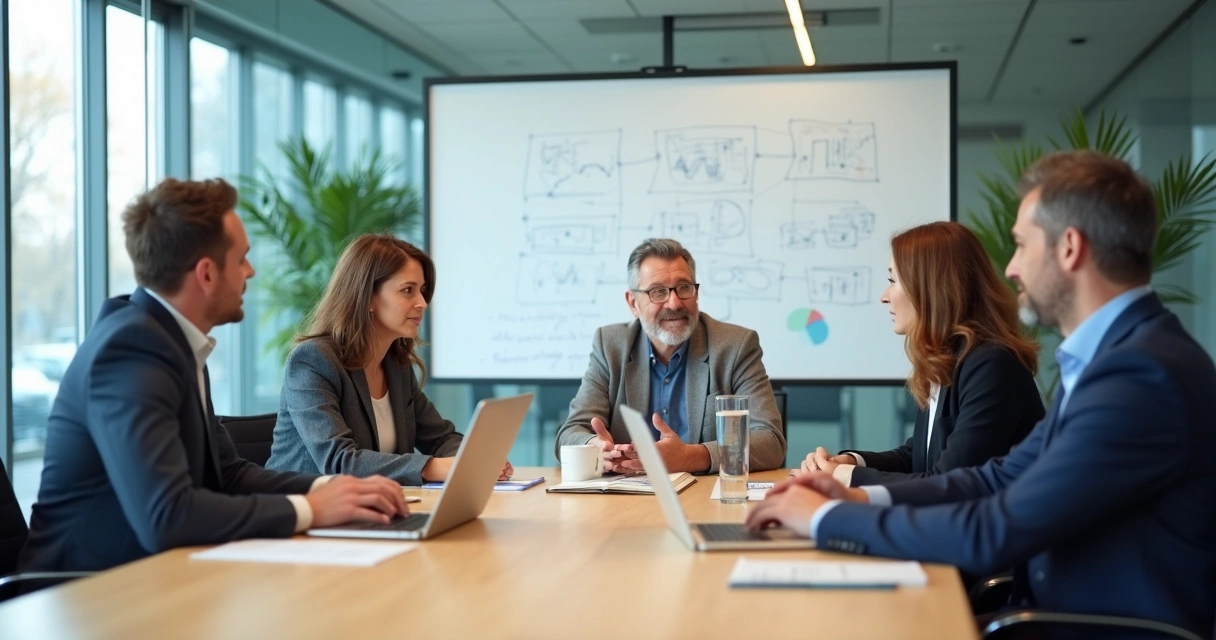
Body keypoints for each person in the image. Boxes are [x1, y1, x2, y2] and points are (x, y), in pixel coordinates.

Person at [745, 151, 1216, 636]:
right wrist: (861, 498)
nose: (1010, 269)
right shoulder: (1119, 359)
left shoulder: (1140, 376)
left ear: (1069, 248)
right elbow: (993, 478)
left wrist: (829, 519)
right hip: (1046, 611)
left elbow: (994, 526)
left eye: (1021, 246)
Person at [18, 178, 408, 573]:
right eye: (241, 259)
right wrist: (310, 509)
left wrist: (332, 488)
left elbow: (229, 474)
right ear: (206, 274)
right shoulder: (131, 351)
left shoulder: (170, 342)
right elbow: (167, 516)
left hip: (155, 578)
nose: (251, 272)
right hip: (85, 595)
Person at [796, 222, 1044, 486]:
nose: (884, 296)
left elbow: (947, 483)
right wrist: (851, 462)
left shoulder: (992, 365)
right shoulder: (947, 356)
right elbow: (918, 458)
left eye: (893, 280)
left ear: (931, 288)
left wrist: (847, 477)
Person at [266, 234, 511, 485]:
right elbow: (339, 462)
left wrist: (474, 460)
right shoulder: (313, 360)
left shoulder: (396, 365)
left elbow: (440, 438)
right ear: (368, 297)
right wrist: (434, 467)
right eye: (408, 290)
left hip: (372, 510)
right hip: (301, 513)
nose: (423, 303)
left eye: (423, 291)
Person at [555, 238, 785, 475]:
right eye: (658, 292)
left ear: (696, 293)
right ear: (633, 303)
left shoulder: (734, 346)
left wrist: (691, 457)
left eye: (684, 287)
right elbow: (570, 433)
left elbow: (770, 442)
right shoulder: (611, 346)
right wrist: (595, 448)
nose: (674, 303)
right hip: (626, 500)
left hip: (705, 499)